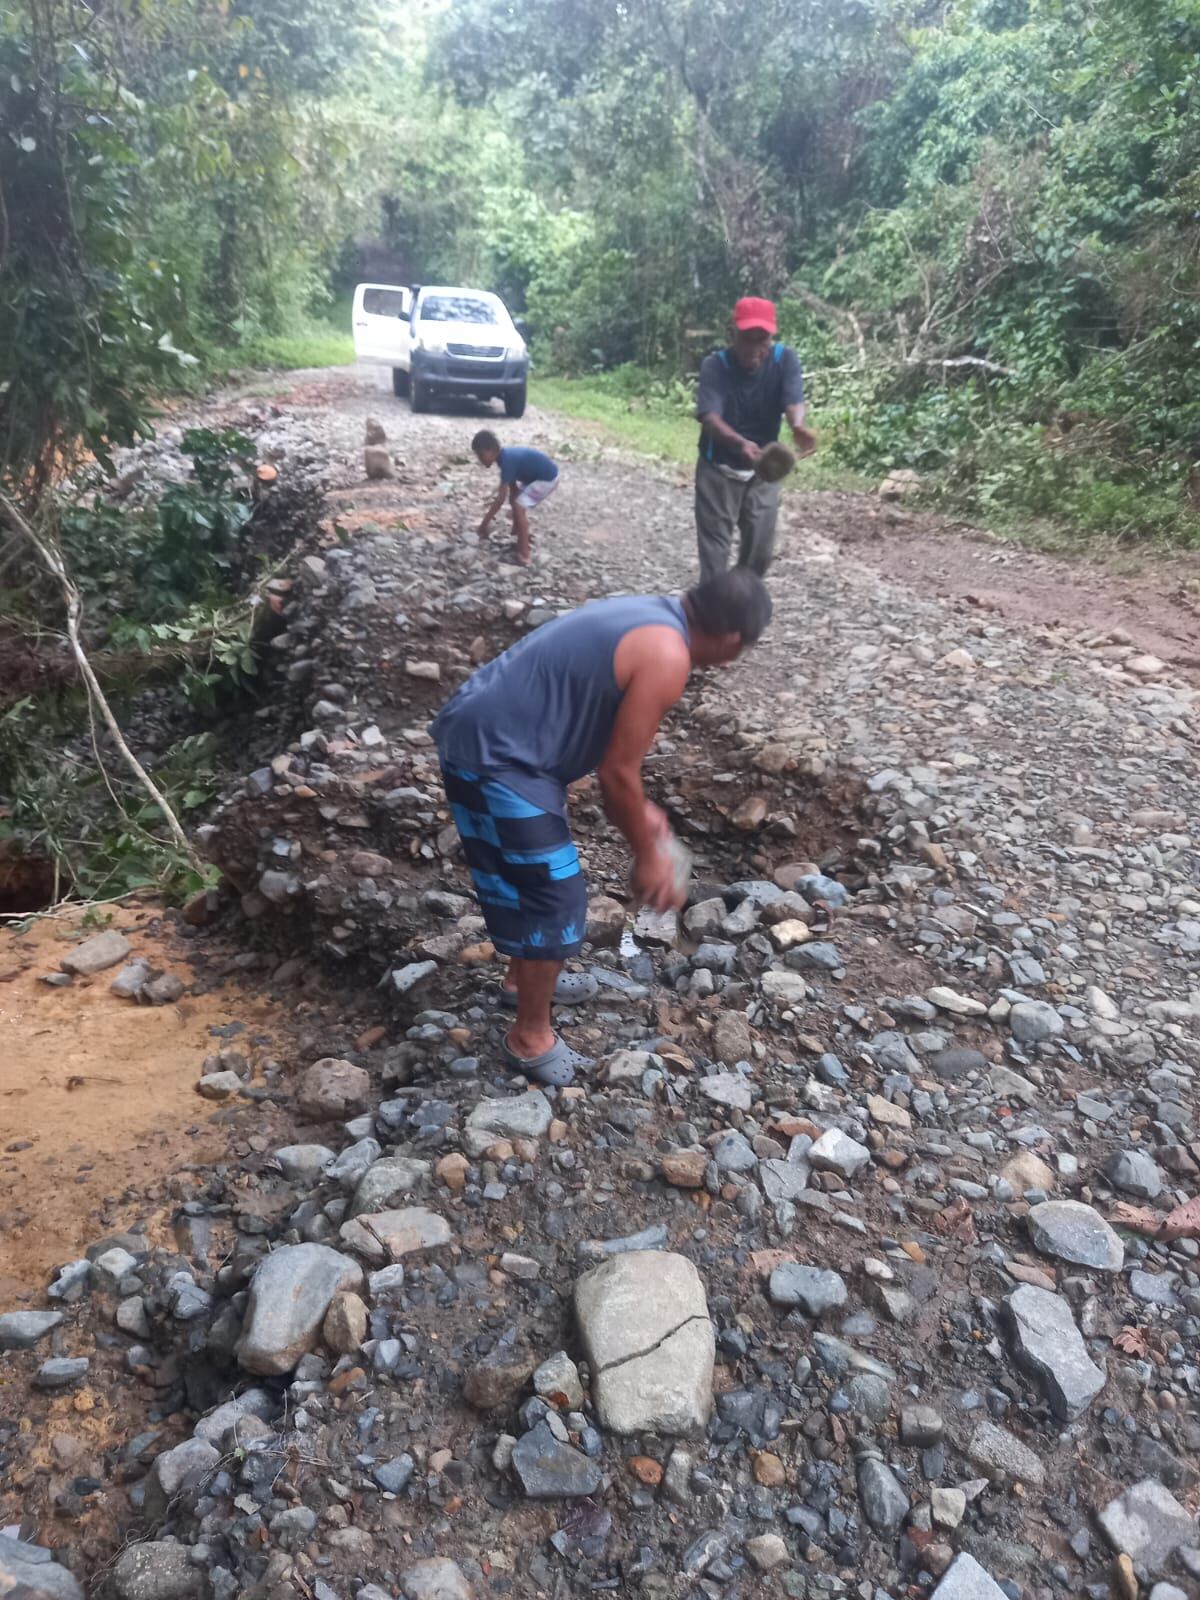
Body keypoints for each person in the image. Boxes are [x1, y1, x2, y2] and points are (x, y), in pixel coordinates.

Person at [428, 568, 772, 1086]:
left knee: (528, 873)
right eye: (742, 649)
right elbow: (616, 773)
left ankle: (523, 983)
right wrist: (649, 853)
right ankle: (529, 1037)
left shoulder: (650, 612)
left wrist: (646, 816)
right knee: (555, 896)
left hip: (490, 734)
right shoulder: (668, 654)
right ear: (728, 639)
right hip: (501, 756)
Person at [694, 296, 816, 583]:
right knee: (715, 555)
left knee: (759, 554)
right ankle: (712, 617)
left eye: (762, 340)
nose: (755, 349)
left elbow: (793, 399)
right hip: (718, 468)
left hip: (762, 471)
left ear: (770, 339)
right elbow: (710, 417)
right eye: (747, 339)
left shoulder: (784, 360)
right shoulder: (716, 366)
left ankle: (738, 606)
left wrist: (798, 426)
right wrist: (740, 444)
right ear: (733, 335)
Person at [471, 429, 559, 566]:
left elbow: (500, 499)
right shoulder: (504, 458)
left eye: (481, 455)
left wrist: (484, 524)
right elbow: (513, 488)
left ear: (491, 450)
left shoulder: (507, 461)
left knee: (518, 506)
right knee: (515, 500)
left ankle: (525, 552)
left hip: (547, 479)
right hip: (535, 479)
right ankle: (519, 532)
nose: (480, 460)